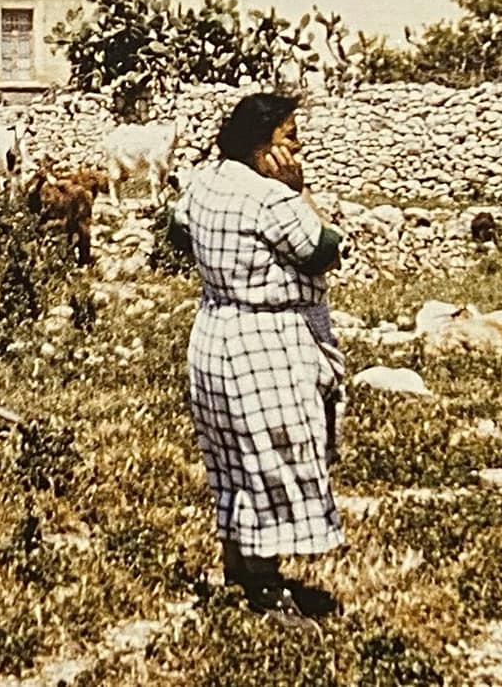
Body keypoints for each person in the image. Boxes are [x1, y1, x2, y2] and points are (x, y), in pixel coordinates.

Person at [168, 92, 345, 620]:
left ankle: (239, 566)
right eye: (289, 136)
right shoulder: (273, 197)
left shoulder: (205, 181)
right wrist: (299, 190)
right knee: (270, 460)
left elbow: (179, 233)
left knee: (231, 458)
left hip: (214, 333)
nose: (298, 145)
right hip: (266, 343)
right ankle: (265, 591)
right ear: (261, 145)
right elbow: (323, 249)